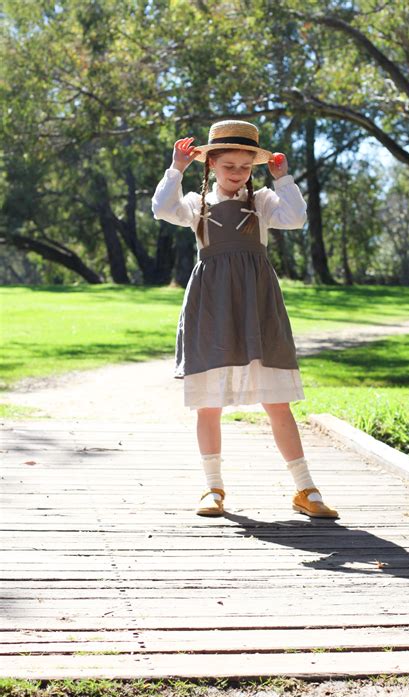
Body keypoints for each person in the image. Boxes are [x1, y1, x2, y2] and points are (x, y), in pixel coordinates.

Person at [151, 119, 338, 520]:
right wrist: (176, 169)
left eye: (244, 166)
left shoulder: (265, 202)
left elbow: (296, 218)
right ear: (211, 165)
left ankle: (306, 488)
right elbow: (162, 209)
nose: (236, 173)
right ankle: (212, 487)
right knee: (209, 404)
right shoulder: (197, 204)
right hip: (211, 306)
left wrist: (284, 179)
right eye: (228, 165)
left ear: (254, 168)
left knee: (277, 400)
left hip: (258, 305)